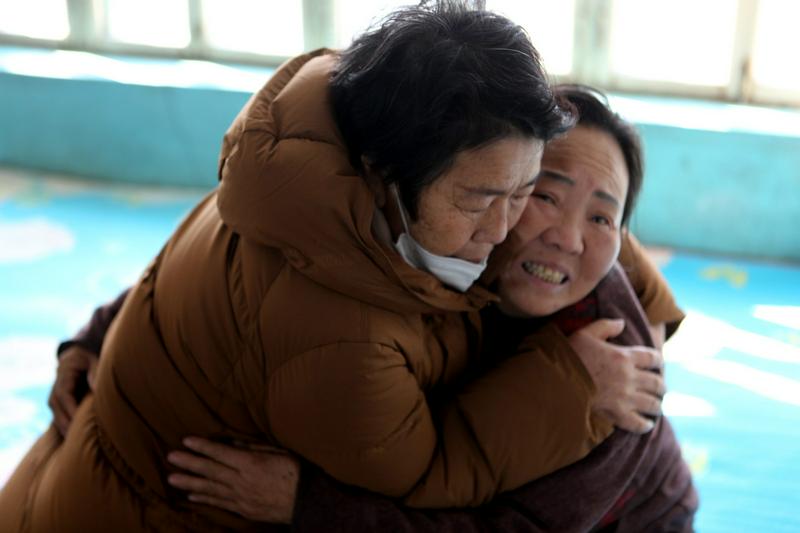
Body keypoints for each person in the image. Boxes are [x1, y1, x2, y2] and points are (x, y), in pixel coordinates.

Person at [0, 3, 670, 531]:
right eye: (485, 200)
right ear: (384, 176)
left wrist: (306, 504)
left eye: (527, 191)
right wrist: (565, 388)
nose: (508, 229)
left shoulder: (304, 158)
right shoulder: (344, 333)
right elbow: (424, 473)